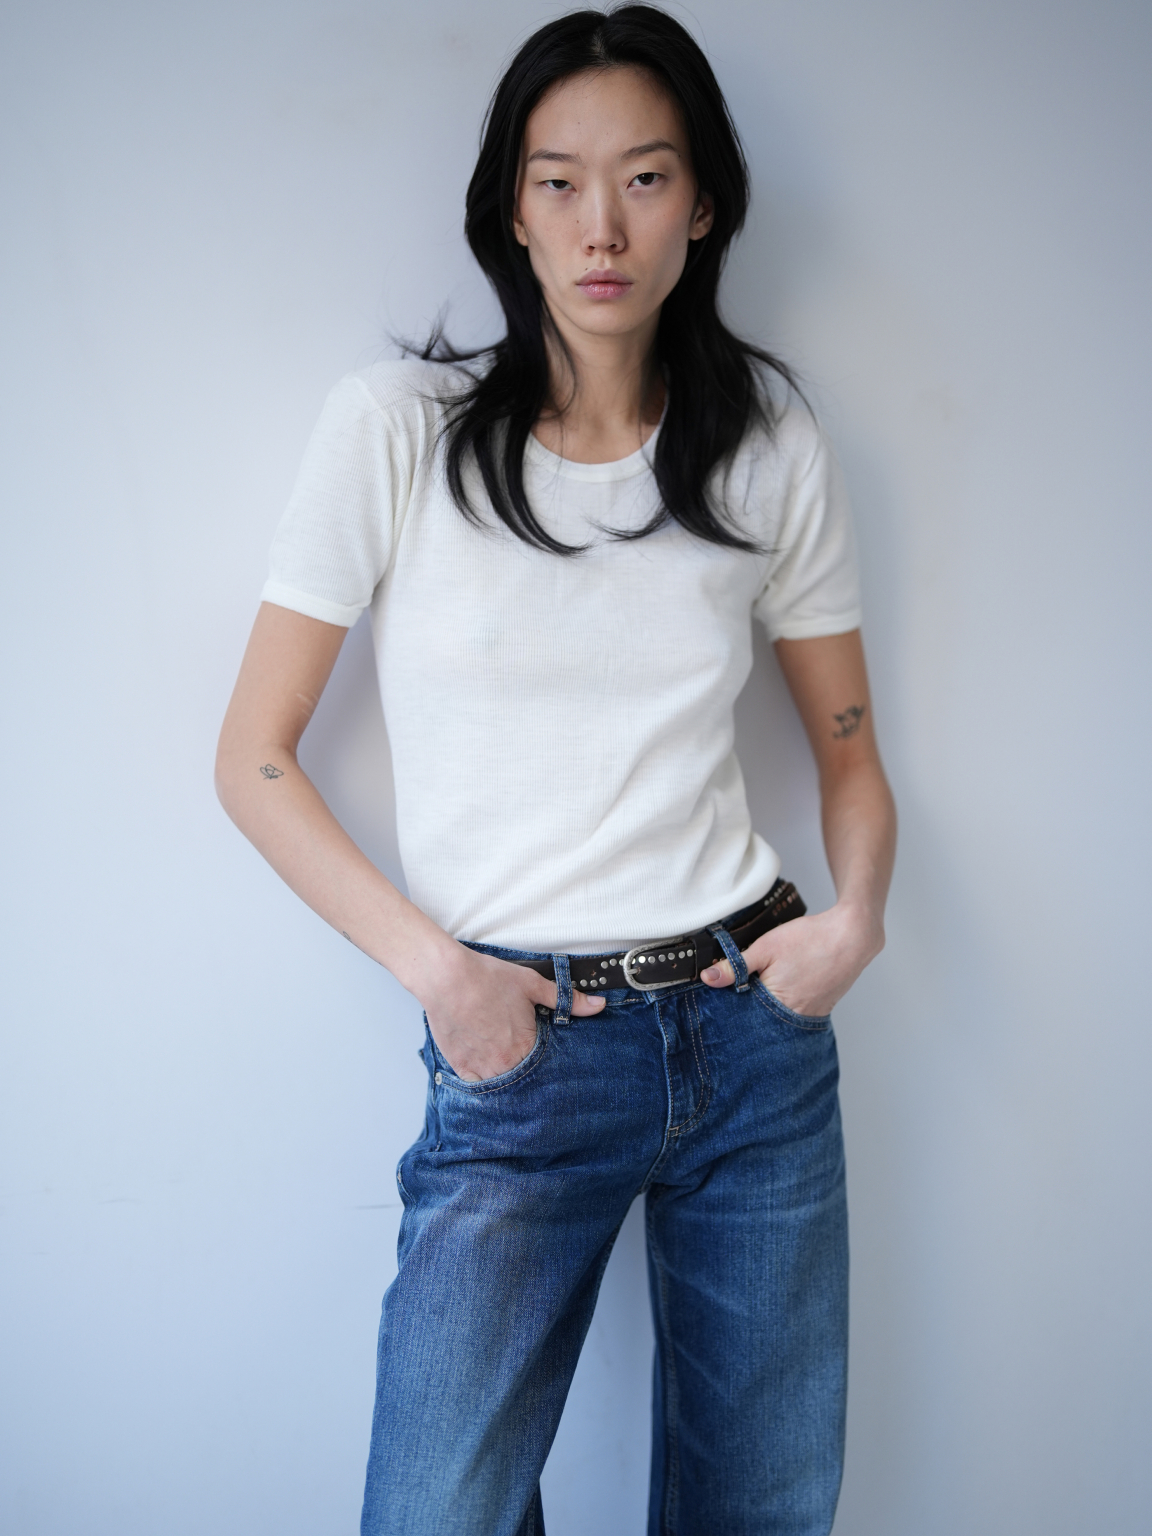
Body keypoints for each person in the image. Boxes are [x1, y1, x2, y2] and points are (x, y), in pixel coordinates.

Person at [216, 6, 896, 1533]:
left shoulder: (768, 440)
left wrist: (852, 921)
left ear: (702, 204)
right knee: (434, 1511)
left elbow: (852, 754)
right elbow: (252, 757)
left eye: (646, 178)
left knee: (765, 1511)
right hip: (521, 1047)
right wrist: (438, 974)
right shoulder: (396, 430)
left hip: (752, 1039)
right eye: (559, 181)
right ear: (510, 209)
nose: (603, 228)